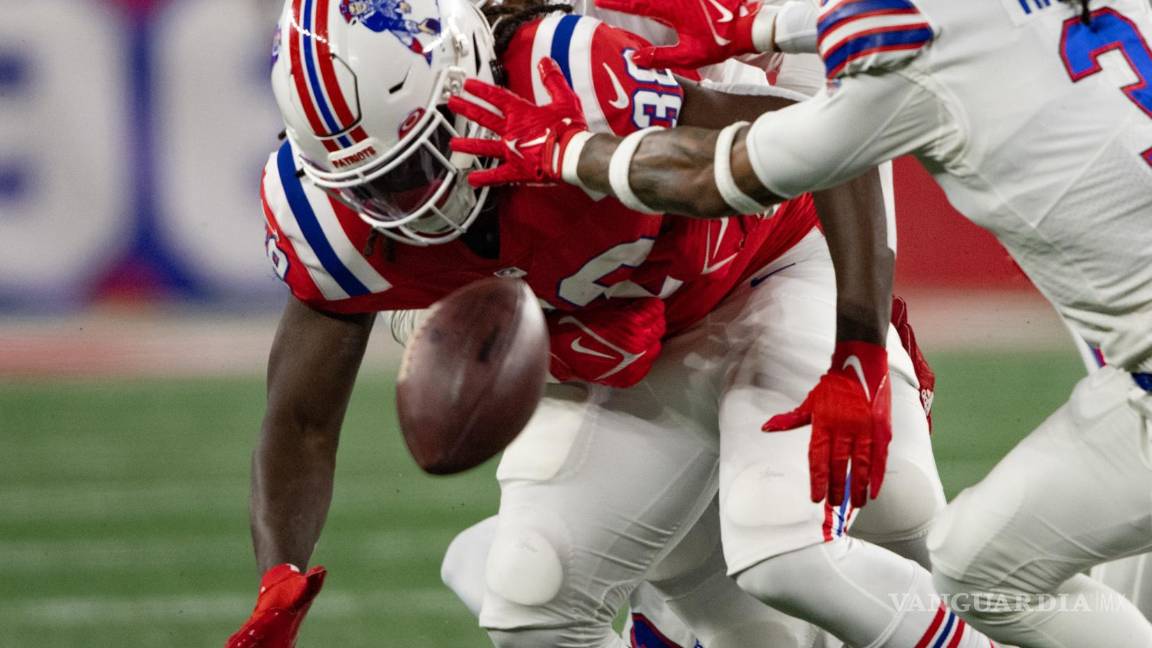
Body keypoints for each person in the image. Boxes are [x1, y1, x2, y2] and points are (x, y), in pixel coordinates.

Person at [226, 0, 964, 646]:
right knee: (529, 597)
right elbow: (300, 420)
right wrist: (279, 574)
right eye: (372, 185)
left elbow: (822, 140)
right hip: (642, 346)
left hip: (767, 264)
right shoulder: (330, 222)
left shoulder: (566, 72)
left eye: (416, 163)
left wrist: (860, 340)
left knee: (811, 542)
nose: (404, 202)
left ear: (462, 78)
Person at [449, 0, 1152, 644]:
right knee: (533, 580)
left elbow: (745, 166)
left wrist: (567, 150)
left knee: (922, 557)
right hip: (648, 323)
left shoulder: (909, 59)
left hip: (780, 259)